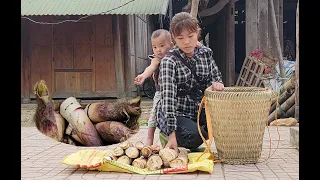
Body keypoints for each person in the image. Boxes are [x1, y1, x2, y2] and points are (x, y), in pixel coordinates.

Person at [156, 12, 224, 152]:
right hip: (178, 112)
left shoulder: (206, 53)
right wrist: (172, 135)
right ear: (174, 39)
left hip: (199, 110)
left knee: (226, 123)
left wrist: (217, 84)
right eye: (180, 38)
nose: (186, 42)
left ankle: (202, 131)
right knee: (193, 136)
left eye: (190, 36)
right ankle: (168, 135)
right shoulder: (169, 61)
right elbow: (168, 100)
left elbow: (216, 76)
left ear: (197, 33)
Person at [134, 29, 174, 146]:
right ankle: (150, 139)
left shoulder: (175, 56)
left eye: (162, 46)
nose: (158, 50)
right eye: (155, 47)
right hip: (160, 94)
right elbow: (150, 68)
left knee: (170, 116)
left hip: (172, 94)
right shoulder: (157, 60)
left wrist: (197, 44)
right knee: (154, 116)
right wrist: (143, 76)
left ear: (171, 45)